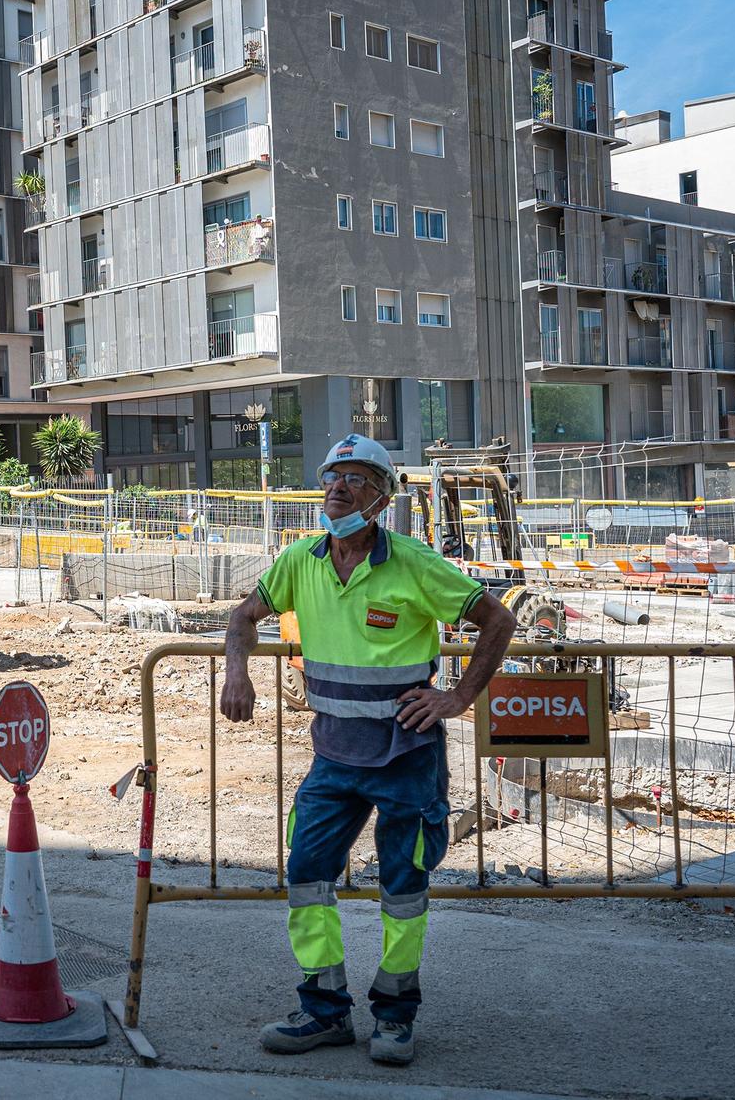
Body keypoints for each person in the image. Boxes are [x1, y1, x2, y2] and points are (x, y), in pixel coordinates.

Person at [222, 434, 516, 1066]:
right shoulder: (300, 560)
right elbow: (243, 617)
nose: (338, 488)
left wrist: (458, 697)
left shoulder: (413, 563)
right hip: (333, 758)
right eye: (333, 476)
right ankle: (324, 1011)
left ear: (380, 498)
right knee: (306, 875)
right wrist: (236, 673)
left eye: (355, 479)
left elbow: (498, 620)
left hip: (406, 758)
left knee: (404, 886)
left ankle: (395, 1016)